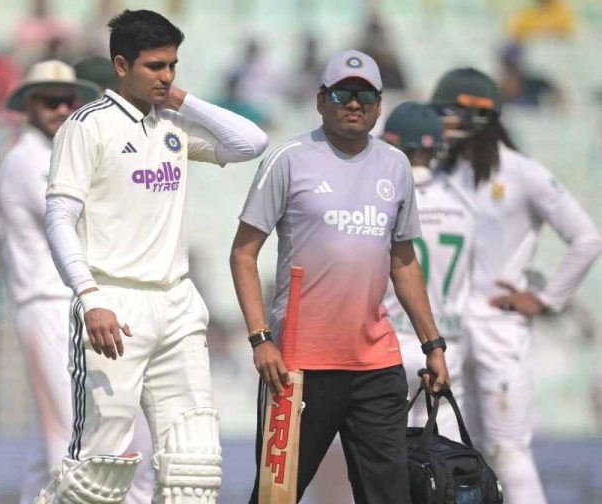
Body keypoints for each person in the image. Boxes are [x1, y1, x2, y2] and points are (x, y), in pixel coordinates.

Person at [38, 9, 268, 503]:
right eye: (155, 67)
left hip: (178, 303)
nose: (166, 76)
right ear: (121, 64)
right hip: (113, 305)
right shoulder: (86, 127)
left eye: (173, 66)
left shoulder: (173, 123)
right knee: (98, 476)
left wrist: (180, 98)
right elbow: (58, 219)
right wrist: (89, 297)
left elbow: (251, 142)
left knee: (194, 470)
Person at [230, 49, 450, 504]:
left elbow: (404, 262)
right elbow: (243, 254)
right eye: (343, 93)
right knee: (277, 497)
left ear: (379, 105)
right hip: (296, 369)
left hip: (376, 365)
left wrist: (433, 346)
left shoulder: (395, 166)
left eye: (366, 95)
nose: (355, 103)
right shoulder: (288, 160)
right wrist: (260, 338)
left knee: (389, 497)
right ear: (321, 100)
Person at [430, 67, 602, 504]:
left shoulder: (524, 173)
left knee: (508, 449)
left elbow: (587, 238)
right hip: (446, 330)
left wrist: (544, 300)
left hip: (499, 327)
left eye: (450, 112)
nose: (443, 123)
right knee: (449, 450)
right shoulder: (439, 172)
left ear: (480, 115)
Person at [0, 59, 154, 504]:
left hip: (80, 307)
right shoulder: (28, 159)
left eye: (69, 99)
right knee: (72, 443)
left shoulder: (58, 153)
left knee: (74, 440)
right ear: (28, 105)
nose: (63, 108)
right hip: (50, 306)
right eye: (50, 100)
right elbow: (84, 219)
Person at [381, 101, 474, 440]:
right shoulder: (464, 200)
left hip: (389, 344)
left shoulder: (382, 195)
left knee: (384, 479)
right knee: (442, 470)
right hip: (446, 345)